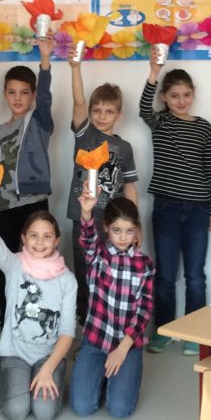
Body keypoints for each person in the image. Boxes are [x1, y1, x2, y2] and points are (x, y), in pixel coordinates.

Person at [139, 54, 211, 356]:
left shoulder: (203, 127)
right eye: (174, 96)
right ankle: (163, 330)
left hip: (198, 209)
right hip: (166, 209)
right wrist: (153, 72)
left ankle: (193, 333)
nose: (181, 101)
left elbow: (209, 170)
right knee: (165, 276)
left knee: (196, 276)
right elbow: (143, 108)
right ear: (164, 97)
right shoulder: (160, 121)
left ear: (193, 95)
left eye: (186, 95)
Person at [0, 201, 76, 420]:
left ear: (57, 240)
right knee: (16, 412)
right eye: (34, 235)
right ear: (24, 239)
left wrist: (48, 369)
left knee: (45, 413)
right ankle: (17, 378)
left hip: (48, 356)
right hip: (16, 354)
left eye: (47, 236)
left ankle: (47, 374)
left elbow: (67, 331)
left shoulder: (67, 280)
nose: (40, 242)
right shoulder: (14, 265)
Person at [0, 37, 55, 358]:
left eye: (24, 92)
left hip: (35, 207)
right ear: (5, 94)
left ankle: (38, 330)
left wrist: (45, 61)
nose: (17, 98)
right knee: (8, 272)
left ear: (33, 95)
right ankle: (6, 330)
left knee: (39, 270)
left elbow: (47, 100)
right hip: (6, 210)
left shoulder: (38, 123)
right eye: (12, 92)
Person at [67, 48, 138, 325]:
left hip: (113, 221)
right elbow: (78, 101)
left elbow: (129, 186)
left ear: (119, 114)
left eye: (108, 111)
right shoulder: (85, 135)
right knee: (84, 274)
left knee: (110, 274)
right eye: (96, 110)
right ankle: (86, 328)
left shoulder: (124, 147)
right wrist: (75, 67)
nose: (101, 115)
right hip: (82, 216)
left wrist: (135, 225)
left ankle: (109, 325)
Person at [70, 192, 154, 418]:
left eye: (129, 231)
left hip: (127, 345)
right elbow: (87, 238)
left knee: (120, 409)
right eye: (117, 230)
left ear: (136, 229)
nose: (123, 237)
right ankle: (102, 374)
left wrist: (123, 349)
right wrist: (86, 211)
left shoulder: (144, 265)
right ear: (106, 228)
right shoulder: (98, 254)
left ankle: (117, 375)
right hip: (96, 340)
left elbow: (144, 310)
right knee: (82, 407)